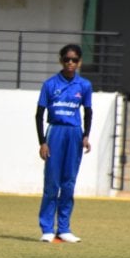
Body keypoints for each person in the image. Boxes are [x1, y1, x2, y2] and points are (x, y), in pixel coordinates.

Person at [36, 43, 93, 243]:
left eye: (74, 60)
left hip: (74, 134)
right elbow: (39, 114)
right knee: (52, 183)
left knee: (69, 182)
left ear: (79, 62)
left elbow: (88, 111)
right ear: (61, 60)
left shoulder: (84, 85)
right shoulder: (50, 84)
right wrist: (42, 142)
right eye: (67, 59)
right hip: (56, 132)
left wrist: (86, 135)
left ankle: (64, 228)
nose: (70, 63)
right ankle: (47, 229)